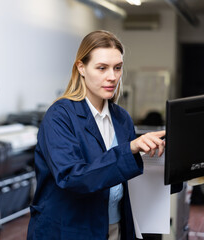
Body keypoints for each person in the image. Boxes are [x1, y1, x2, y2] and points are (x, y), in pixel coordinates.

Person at [27, 30, 166, 240]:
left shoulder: (122, 118)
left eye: (117, 68)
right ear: (81, 68)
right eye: (101, 68)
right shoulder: (59, 116)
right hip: (70, 229)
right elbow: (72, 176)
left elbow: (128, 176)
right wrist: (129, 149)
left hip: (114, 226)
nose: (112, 76)